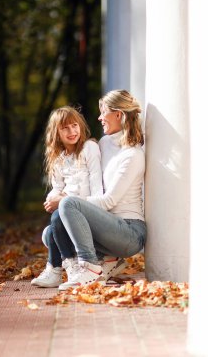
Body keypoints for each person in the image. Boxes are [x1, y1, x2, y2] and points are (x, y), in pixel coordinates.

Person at [53, 89, 147, 290]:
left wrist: (66, 201)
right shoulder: (104, 143)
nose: (99, 117)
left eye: (103, 112)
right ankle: (108, 260)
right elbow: (87, 174)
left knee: (68, 204)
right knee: (50, 232)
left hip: (129, 233)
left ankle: (91, 267)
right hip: (107, 225)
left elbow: (108, 201)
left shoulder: (132, 155)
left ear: (118, 115)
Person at [31, 106, 103, 288]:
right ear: (56, 133)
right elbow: (57, 188)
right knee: (51, 229)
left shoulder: (89, 148)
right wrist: (53, 198)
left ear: (81, 126)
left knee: (58, 215)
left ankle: (61, 268)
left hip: (90, 210)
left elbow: (96, 190)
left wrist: (63, 199)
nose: (72, 131)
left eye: (74, 125)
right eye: (65, 128)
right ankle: (60, 269)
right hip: (67, 214)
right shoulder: (59, 158)